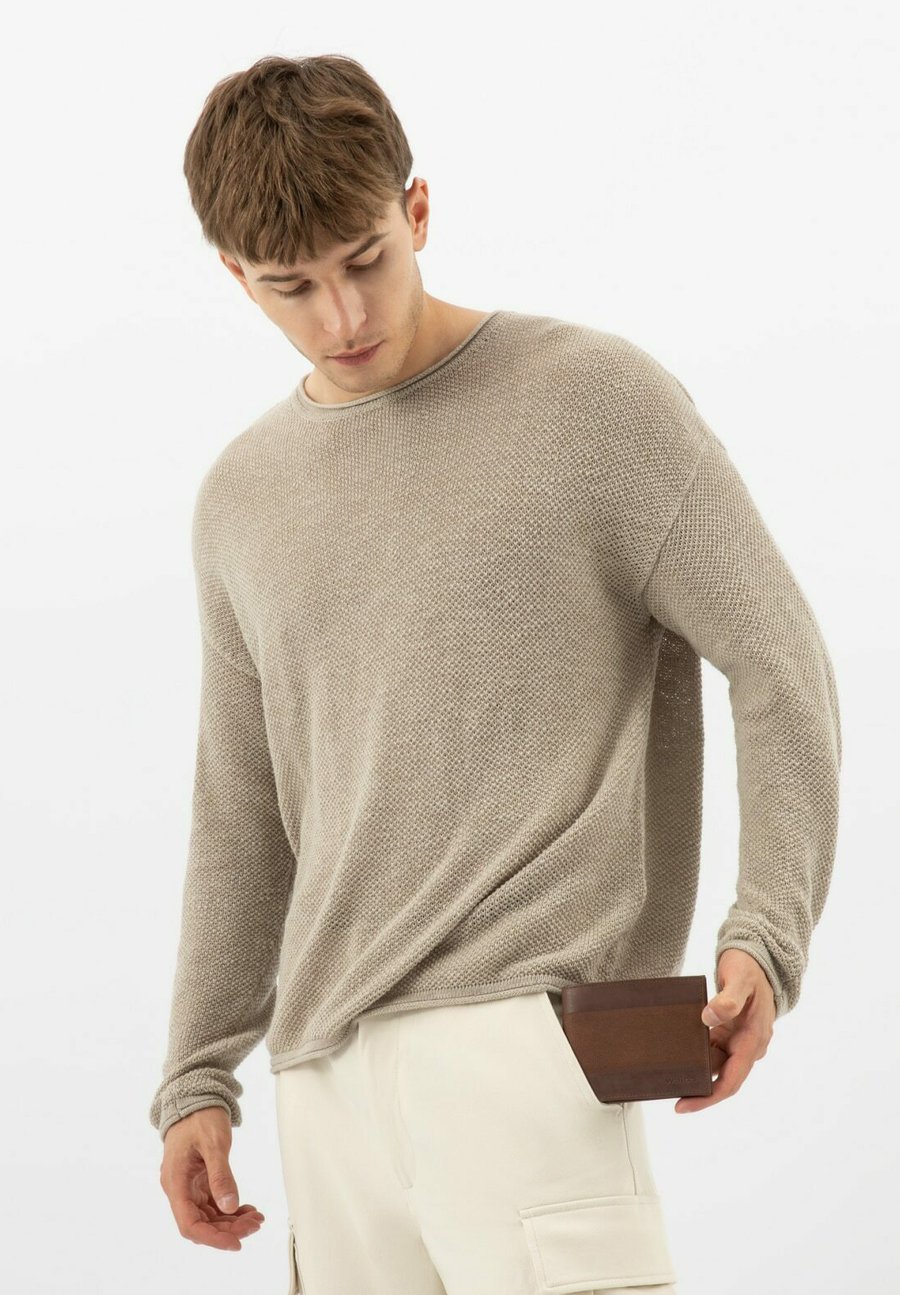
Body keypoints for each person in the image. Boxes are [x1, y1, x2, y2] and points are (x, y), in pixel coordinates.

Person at [149, 52, 842, 1295]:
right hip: (325, 1086)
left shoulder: (592, 402)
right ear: (236, 278)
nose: (342, 318)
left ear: (417, 209)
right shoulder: (240, 500)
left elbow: (778, 657)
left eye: (365, 259)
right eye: (291, 287)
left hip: (528, 1045)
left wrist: (768, 929)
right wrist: (198, 1070)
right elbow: (240, 810)